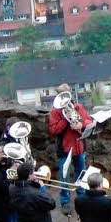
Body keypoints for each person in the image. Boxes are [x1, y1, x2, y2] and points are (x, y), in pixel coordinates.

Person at [47, 84, 94, 215]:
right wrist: (65, 119)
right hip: (64, 149)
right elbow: (53, 130)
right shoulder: (55, 112)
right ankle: (65, 201)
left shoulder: (78, 107)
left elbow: (89, 121)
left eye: (66, 95)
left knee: (81, 174)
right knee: (64, 177)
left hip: (79, 147)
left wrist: (81, 124)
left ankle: (82, 198)